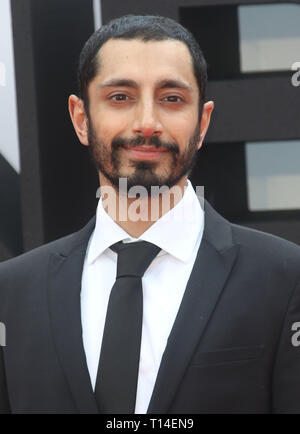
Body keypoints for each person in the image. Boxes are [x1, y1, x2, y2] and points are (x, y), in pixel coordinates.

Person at [1, 14, 300, 415]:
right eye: (120, 97)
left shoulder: (285, 279)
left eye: (171, 98)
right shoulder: (12, 292)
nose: (147, 123)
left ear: (202, 121)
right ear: (81, 119)